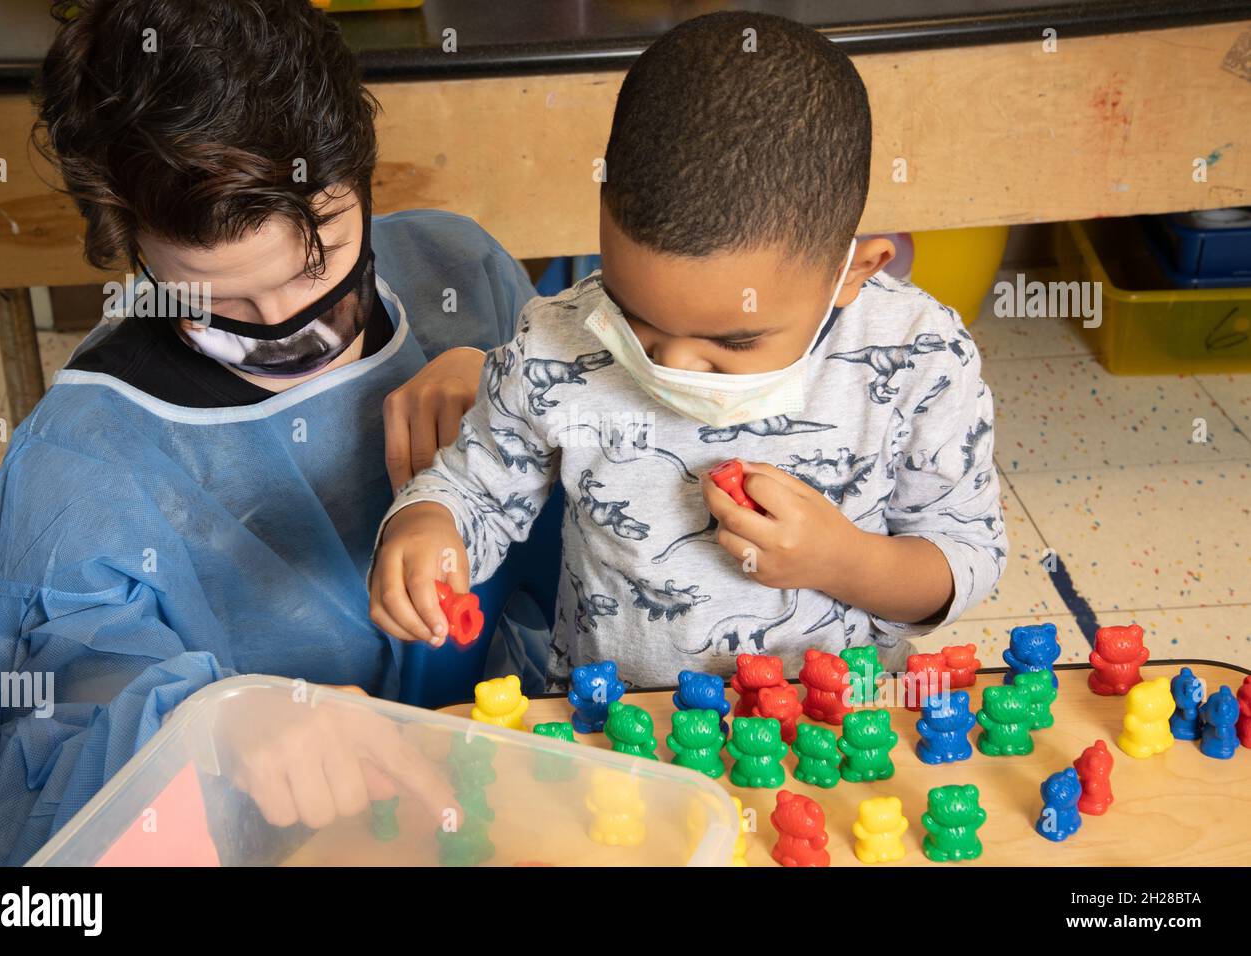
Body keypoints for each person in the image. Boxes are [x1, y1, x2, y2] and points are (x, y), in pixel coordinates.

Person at [0, 0, 541, 865]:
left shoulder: (461, 279)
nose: (286, 327)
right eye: (221, 304)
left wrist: (522, 391)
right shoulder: (85, 457)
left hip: (526, 794)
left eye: (319, 266)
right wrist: (211, 731)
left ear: (364, 174)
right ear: (132, 246)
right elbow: (57, 750)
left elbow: (635, 515)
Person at [371, 12, 1007, 690]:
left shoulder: (921, 360)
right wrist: (424, 523)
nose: (670, 364)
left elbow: (964, 556)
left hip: (831, 722)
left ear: (854, 271)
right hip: (616, 726)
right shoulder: (556, 344)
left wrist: (842, 561)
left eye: (733, 340)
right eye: (634, 317)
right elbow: (474, 487)